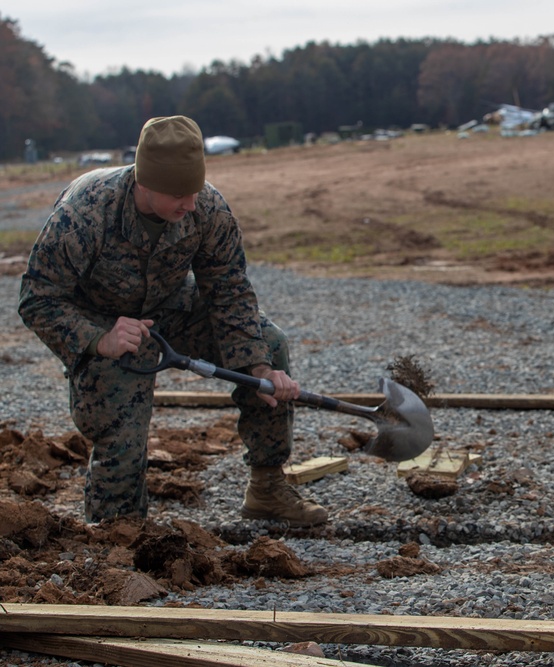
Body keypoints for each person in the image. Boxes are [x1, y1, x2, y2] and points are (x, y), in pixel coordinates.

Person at [19, 115, 328, 527]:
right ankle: (116, 529)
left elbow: (229, 289)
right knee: (120, 423)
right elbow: (37, 298)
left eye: (195, 191)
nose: (191, 205)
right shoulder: (86, 212)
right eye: (180, 194)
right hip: (101, 320)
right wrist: (98, 340)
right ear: (144, 183)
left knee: (269, 345)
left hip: (169, 303)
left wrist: (256, 365)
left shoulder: (206, 208)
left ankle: (267, 488)